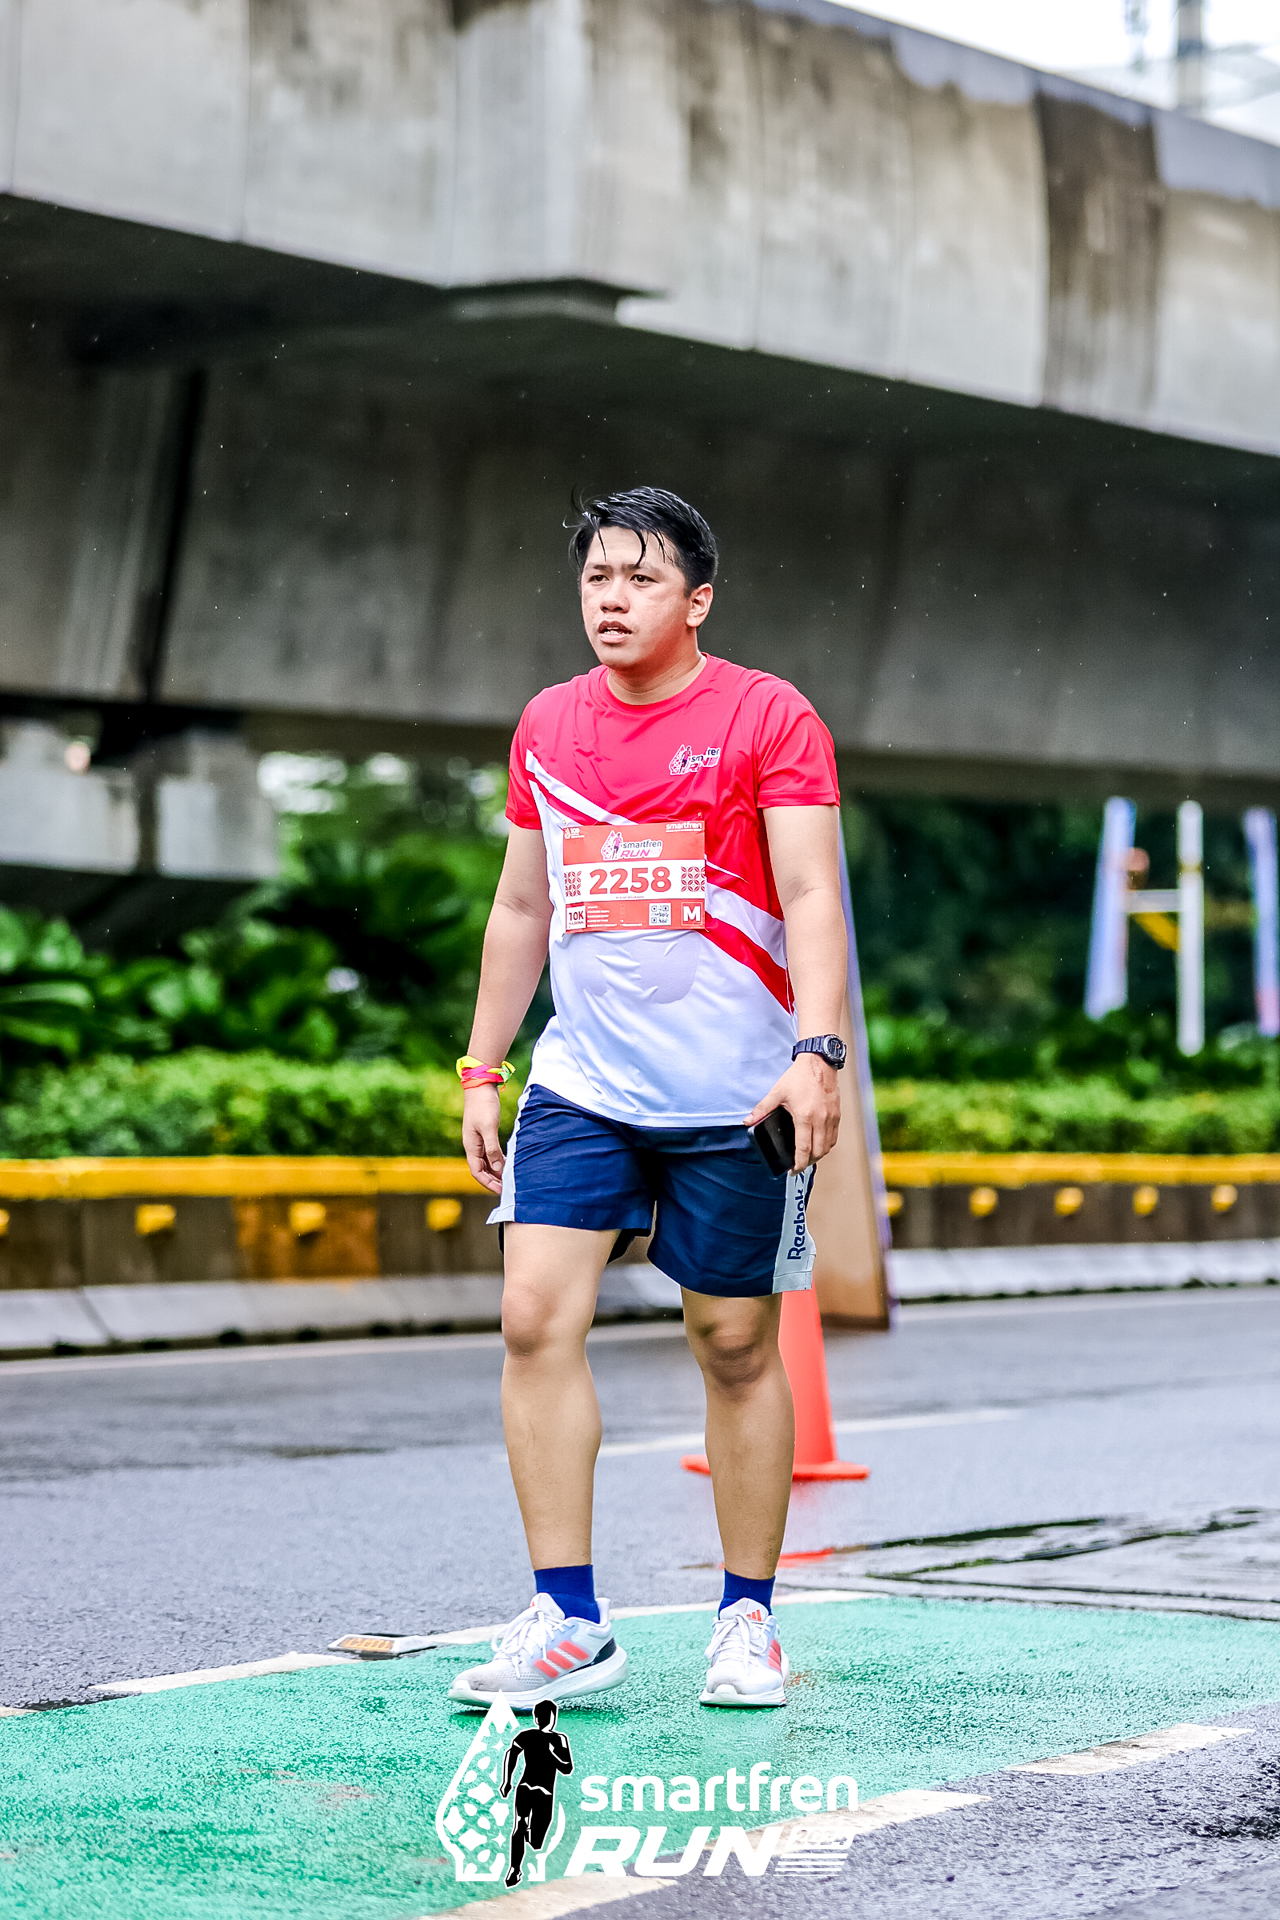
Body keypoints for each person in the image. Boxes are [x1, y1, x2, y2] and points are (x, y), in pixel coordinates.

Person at [449, 487, 848, 1713]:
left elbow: (810, 894)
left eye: (640, 579)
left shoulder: (766, 716)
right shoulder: (548, 725)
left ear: (697, 599)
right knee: (531, 1319)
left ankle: (745, 1617)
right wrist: (482, 1066)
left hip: (736, 1096)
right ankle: (567, 1617)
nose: (611, 600)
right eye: (594, 579)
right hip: (584, 1085)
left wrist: (818, 1051)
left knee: (732, 1344)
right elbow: (522, 906)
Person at [500, 1698, 573, 1886]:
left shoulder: (558, 1739)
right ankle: (515, 1869)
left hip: (540, 1792)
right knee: (520, 1825)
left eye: (549, 1716)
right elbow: (511, 1754)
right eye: (546, 1716)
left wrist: (551, 1754)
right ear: (538, 1718)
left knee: (536, 1841)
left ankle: (526, 1837)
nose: (548, 1719)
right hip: (530, 1788)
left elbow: (567, 1768)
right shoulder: (529, 1736)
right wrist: (507, 1780)